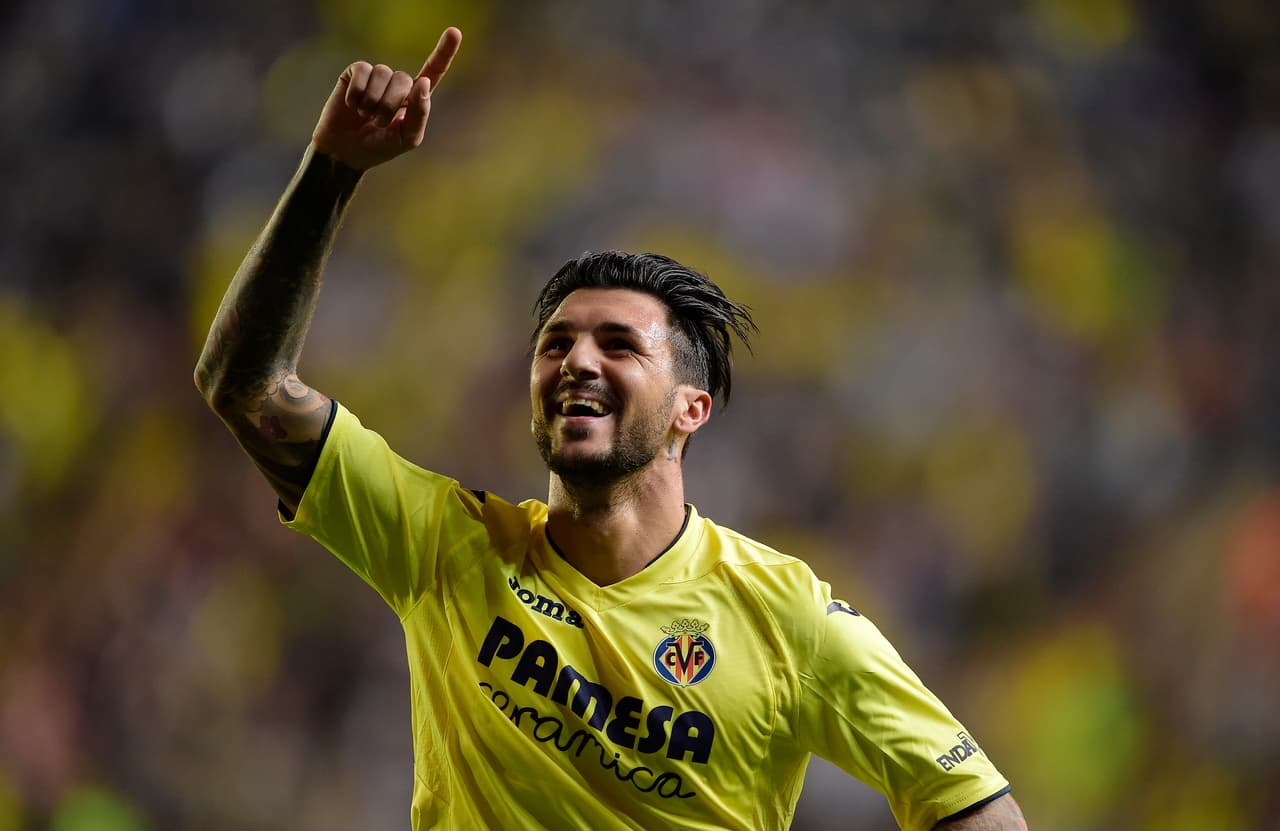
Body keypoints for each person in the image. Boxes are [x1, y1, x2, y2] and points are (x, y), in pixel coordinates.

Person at [195, 26, 1027, 831]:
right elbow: (245, 384)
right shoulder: (447, 547)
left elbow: (974, 804)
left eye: (619, 344)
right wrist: (333, 168)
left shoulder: (787, 619)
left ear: (688, 410)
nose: (577, 361)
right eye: (555, 343)